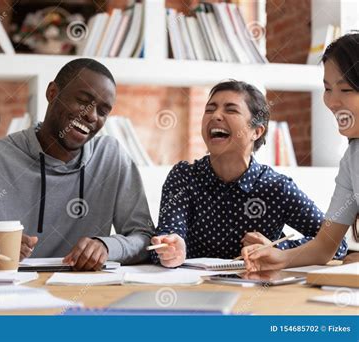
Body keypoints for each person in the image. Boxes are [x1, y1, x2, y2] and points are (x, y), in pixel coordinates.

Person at [0, 58, 154, 271]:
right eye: (83, 101)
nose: (92, 116)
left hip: (86, 295)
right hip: (11, 296)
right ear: (52, 93)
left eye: (103, 111)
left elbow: (145, 237)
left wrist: (108, 246)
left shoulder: (111, 157)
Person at [150, 80, 347, 268]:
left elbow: (336, 244)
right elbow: (166, 238)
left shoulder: (276, 187)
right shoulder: (183, 177)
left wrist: (277, 249)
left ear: (256, 132)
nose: (215, 116)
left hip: (256, 291)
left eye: (231, 109)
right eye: (210, 109)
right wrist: (170, 249)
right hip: (193, 292)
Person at [241, 33, 359, 271]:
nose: (332, 102)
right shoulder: (352, 158)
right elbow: (326, 244)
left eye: (345, 90)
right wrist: (281, 257)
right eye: (327, 89)